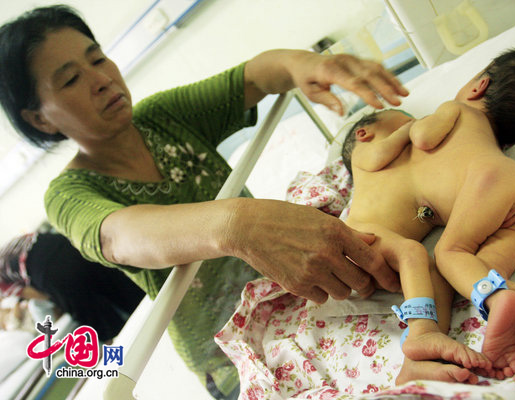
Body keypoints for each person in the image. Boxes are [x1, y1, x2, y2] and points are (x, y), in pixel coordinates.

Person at [0, 5, 409, 398]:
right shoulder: (67, 195)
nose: (102, 79)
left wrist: (302, 64)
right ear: (41, 118)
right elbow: (120, 237)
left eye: (98, 58)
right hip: (234, 357)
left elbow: (258, 75)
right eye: (71, 80)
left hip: (301, 291)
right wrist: (238, 225)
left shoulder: (164, 118)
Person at [342, 49, 515, 399]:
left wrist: (415, 126)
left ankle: (491, 308)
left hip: (489, 182)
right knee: (473, 275)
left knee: (450, 252)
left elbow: (424, 138)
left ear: (478, 86)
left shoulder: (453, 109)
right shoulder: (483, 139)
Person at [0, 231, 145, 341]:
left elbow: (37, 294)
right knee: (118, 286)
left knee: (97, 320)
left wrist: (59, 303)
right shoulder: (5, 252)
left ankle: (131, 349)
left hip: (48, 269)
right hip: (62, 243)